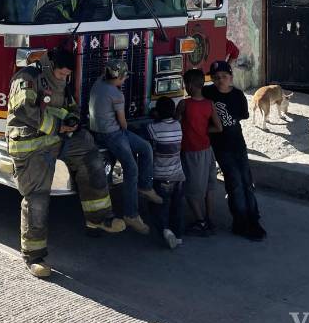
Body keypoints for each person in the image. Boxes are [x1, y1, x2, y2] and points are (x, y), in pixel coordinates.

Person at [6, 46, 125, 278]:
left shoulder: (62, 81)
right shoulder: (27, 78)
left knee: (90, 154)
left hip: (56, 139)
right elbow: (23, 110)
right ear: (50, 65)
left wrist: (72, 119)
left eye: (67, 75)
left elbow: (69, 106)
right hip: (30, 145)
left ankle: (100, 217)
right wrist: (58, 126)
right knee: (37, 199)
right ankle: (34, 257)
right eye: (61, 74)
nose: (64, 78)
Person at [89, 59, 160, 235]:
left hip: (96, 132)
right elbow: (122, 122)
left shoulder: (98, 84)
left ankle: (145, 187)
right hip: (113, 134)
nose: (126, 79)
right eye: (124, 76)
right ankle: (132, 214)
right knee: (132, 167)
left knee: (144, 148)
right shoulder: (117, 95)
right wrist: (127, 131)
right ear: (119, 77)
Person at [202, 61, 266, 241]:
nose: (220, 80)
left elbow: (243, 116)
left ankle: (253, 218)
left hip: (238, 144)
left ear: (230, 77)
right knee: (234, 183)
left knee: (247, 182)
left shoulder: (237, 95)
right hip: (221, 147)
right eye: (216, 77)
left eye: (224, 76)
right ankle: (240, 222)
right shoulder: (207, 93)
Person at [175, 68, 222, 235]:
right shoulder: (209, 104)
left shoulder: (184, 104)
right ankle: (209, 218)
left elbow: (174, 123)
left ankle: (200, 222)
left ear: (189, 85)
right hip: (207, 149)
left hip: (191, 150)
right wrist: (203, 130)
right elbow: (218, 127)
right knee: (209, 186)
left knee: (190, 189)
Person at [145, 97, 186, 249]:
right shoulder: (178, 125)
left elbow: (146, 138)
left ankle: (165, 231)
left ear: (157, 112)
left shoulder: (153, 128)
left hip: (161, 176)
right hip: (178, 176)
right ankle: (178, 235)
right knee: (177, 207)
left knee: (160, 206)